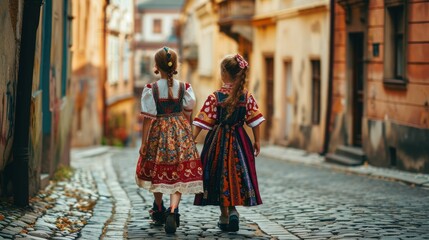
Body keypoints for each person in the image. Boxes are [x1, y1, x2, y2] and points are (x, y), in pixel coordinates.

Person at [192, 54, 264, 232]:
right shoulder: (246, 97)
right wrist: (257, 141)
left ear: (223, 73)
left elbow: (202, 121)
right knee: (236, 174)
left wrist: (191, 140)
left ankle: (225, 215)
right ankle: (233, 211)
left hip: (218, 141)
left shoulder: (215, 97)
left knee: (217, 174)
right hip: (240, 140)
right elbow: (255, 120)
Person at [135, 47, 203, 234]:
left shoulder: (152, 89)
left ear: (156, 66)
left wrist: (144, 143)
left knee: (158, 169)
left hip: (159, 133)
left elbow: (148, 119)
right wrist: (187, 134)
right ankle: (173, 211)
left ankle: (158, 208)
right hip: (180, 132)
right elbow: (189, 113)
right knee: (177, 173)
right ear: (176, 65)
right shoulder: (185, 88)